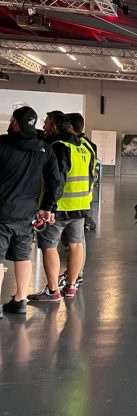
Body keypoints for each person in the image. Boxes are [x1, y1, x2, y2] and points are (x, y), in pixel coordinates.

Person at [0, 107, 61, 315]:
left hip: (2, 211)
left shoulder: (2, 144)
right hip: (28, 213)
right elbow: (55, 181)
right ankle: (20, 300)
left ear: (15, 123)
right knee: (22, 256)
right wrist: (47, 207)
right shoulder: (44, 148)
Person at [28, 111, 94, 301]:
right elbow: (91, 177)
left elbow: (56, 180)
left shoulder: (58, 147)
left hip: (59, 207)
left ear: (54, 127)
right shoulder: (85, 146)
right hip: (80, 206)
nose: (44, 127)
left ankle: (52, 291)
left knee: (49, 246)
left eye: (46, 123)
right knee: (76, 244)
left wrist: (47, 207)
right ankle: (71, 286)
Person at [67, 112, 98, 231]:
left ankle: (88, 221)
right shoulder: (90, 145)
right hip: (85, 194)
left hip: (75, 196)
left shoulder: (74, 145)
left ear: (70, 126)